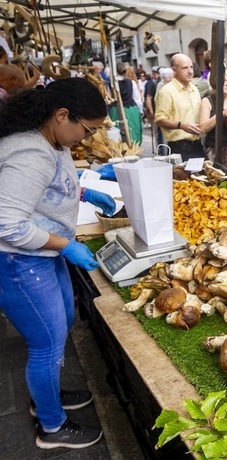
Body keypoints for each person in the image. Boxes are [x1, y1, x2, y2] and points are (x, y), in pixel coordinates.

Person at [0, 78, 113, 449]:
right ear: (63, 115)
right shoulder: (30, 152)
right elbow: (7, 223)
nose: (87, 138)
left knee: (60, 323)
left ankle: (45, 394)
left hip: (43, 257)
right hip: (19, 261)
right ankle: (52, 426)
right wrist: (65, 245)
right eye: (87, 129)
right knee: (46, 342)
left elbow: (53, 184)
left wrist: (85, 186)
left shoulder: (52, 139)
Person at [155, 54, 204, 161]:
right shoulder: (166, 91)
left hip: (198, 145)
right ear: (174, 70)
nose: (190, 71)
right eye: (185, 68)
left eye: (191, 67)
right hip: (179, 147)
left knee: (201, 177)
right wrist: (181, 125)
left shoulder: (194, 89)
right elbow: (159, 119)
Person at [199, 78, 227, 165]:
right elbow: (202, 128)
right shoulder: (207, 101)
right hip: (213, 150)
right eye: (224, 81)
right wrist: (221, 114)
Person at [109, 65, 144, 145]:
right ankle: (133, 147)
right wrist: (141, 111)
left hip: (116, 110)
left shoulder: (113, 84)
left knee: (117, 131)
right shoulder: (132, 83)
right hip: (131, 110)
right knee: (133, 131)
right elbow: (137, 99)